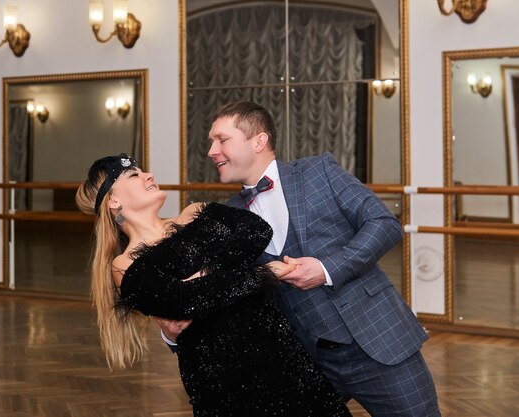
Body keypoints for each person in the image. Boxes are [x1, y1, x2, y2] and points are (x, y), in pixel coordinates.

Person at [161, 101, 441, 416]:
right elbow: (223, 293)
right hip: (305, 366)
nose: (212, 150)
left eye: (221, 140)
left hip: (379, 345)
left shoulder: (318, 172)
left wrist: (326, 268)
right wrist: (172, 333)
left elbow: (383, 223)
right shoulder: (230, 217)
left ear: (258, 141)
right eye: (211, 142)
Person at [75, 153, 352, 417]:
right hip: (221, 378)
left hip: (280, 353)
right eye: (135, 175)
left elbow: (257, 231)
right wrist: (263, 272)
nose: (149, 176)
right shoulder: (124, 266)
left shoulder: (195, 212)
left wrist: (203, 275)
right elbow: (184, 301)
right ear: (113, 202)